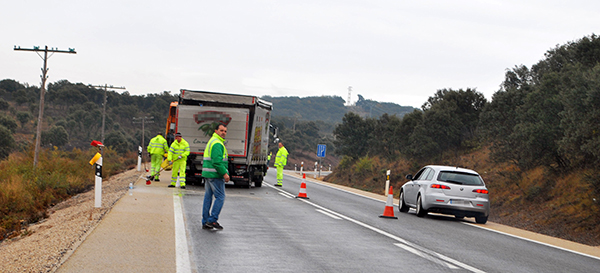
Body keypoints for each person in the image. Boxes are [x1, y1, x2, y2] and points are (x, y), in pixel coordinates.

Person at [202, 123, 230, 230]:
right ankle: (212, 220)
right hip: (215, 175)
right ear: (216, 131)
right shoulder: (217, 143)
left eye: (225, 131)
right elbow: (217, 162)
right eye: (221, 130)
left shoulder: (212, 141)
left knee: (208, 197)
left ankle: (205, 221)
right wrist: (224, 174)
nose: (223, 133)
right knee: (220, 197)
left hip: (209, 174)